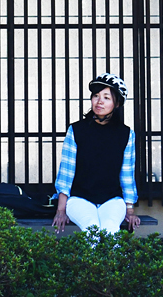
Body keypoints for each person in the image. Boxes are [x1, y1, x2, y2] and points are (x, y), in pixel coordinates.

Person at [52, 73, 139, 234]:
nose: (99, 102)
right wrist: (61, 210)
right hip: (79, 199)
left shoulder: (126, 134)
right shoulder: (76, 130)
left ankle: (113, 261)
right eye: (96, 96)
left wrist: (130, 210)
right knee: (91, 227)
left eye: (107, 97)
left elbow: (127, 175)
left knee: (110, 229)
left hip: (112, 199)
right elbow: (66, 172)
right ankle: (95, 260)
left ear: (117, 103)